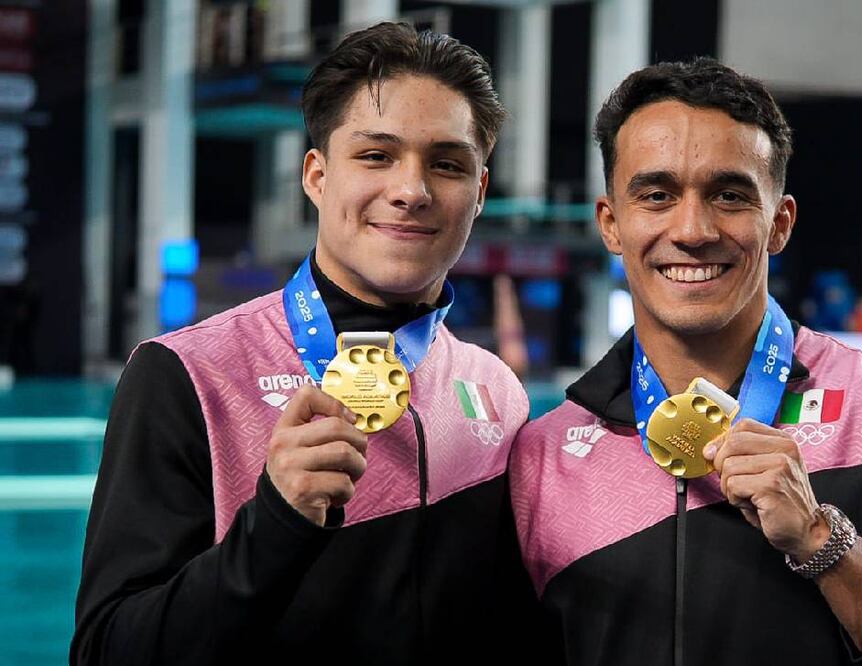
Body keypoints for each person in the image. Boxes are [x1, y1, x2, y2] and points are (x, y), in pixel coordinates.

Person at [509, 58, 862, 666]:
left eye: (728, 195)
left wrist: (821, 540)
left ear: (779, 222)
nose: (692, 229)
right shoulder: (543, 454)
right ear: (612, 224)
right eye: (657, 195)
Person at [73, 23, 539, 665]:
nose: (412, 190)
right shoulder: (189, 376)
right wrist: (276, 523)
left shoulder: (497, 391)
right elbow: (106, 651)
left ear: (479, 193)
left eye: (448, 163)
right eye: (376, 156)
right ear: (317, 177)